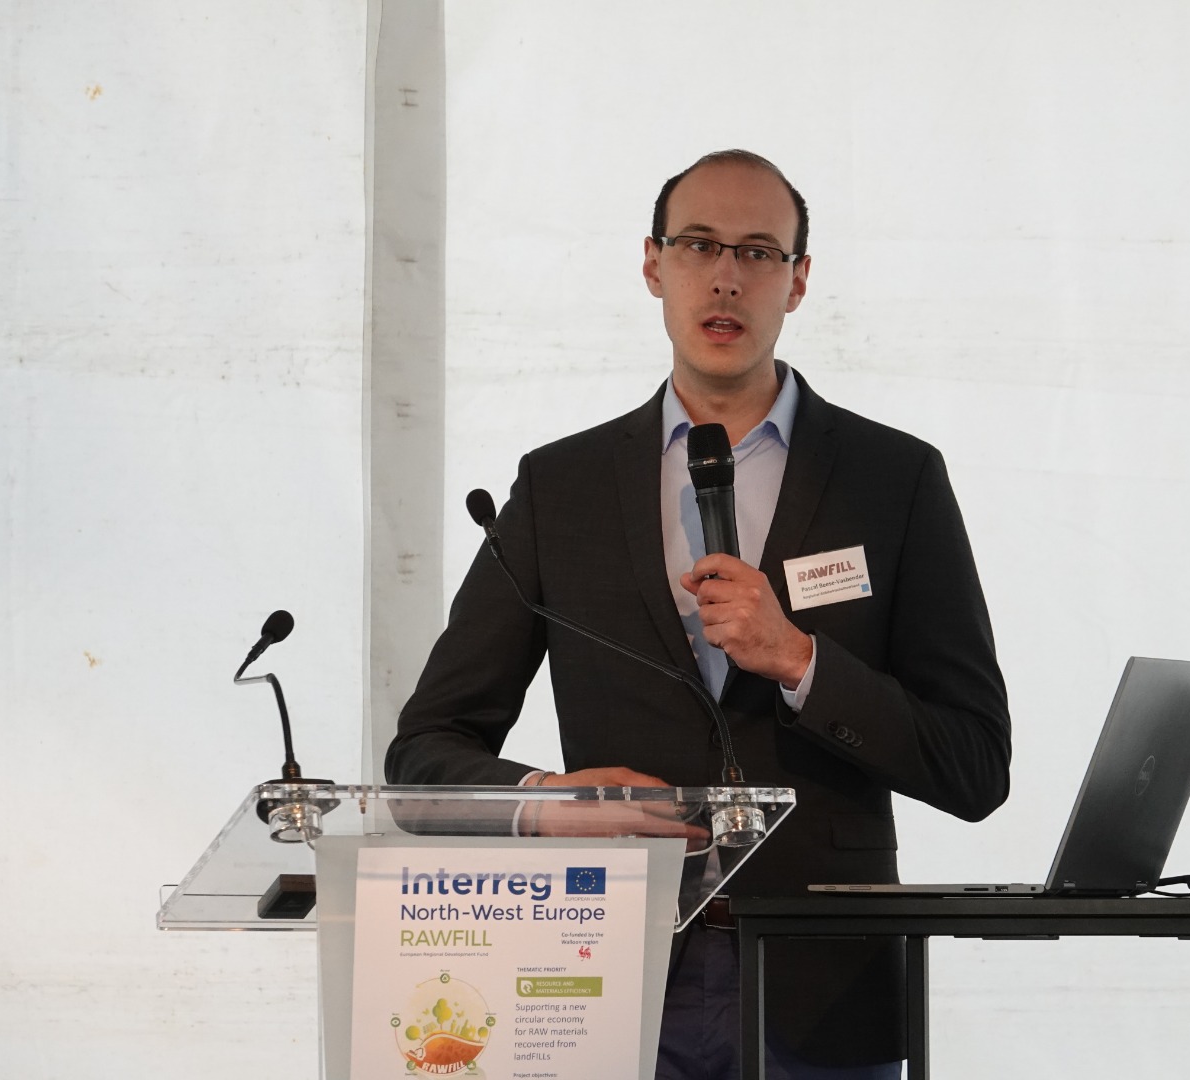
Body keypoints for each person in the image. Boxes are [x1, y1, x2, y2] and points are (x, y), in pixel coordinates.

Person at [387, 149, 1011, 1079]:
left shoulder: (894, 479)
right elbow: (424, 752)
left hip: (824, 990)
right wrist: (546, 805)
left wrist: (801, 661)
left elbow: (974, 764)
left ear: (798, 281)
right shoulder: (561, 488)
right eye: (698, 245)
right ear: (653, 265)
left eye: (758, 252)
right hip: (605, 977)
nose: (726, 276)